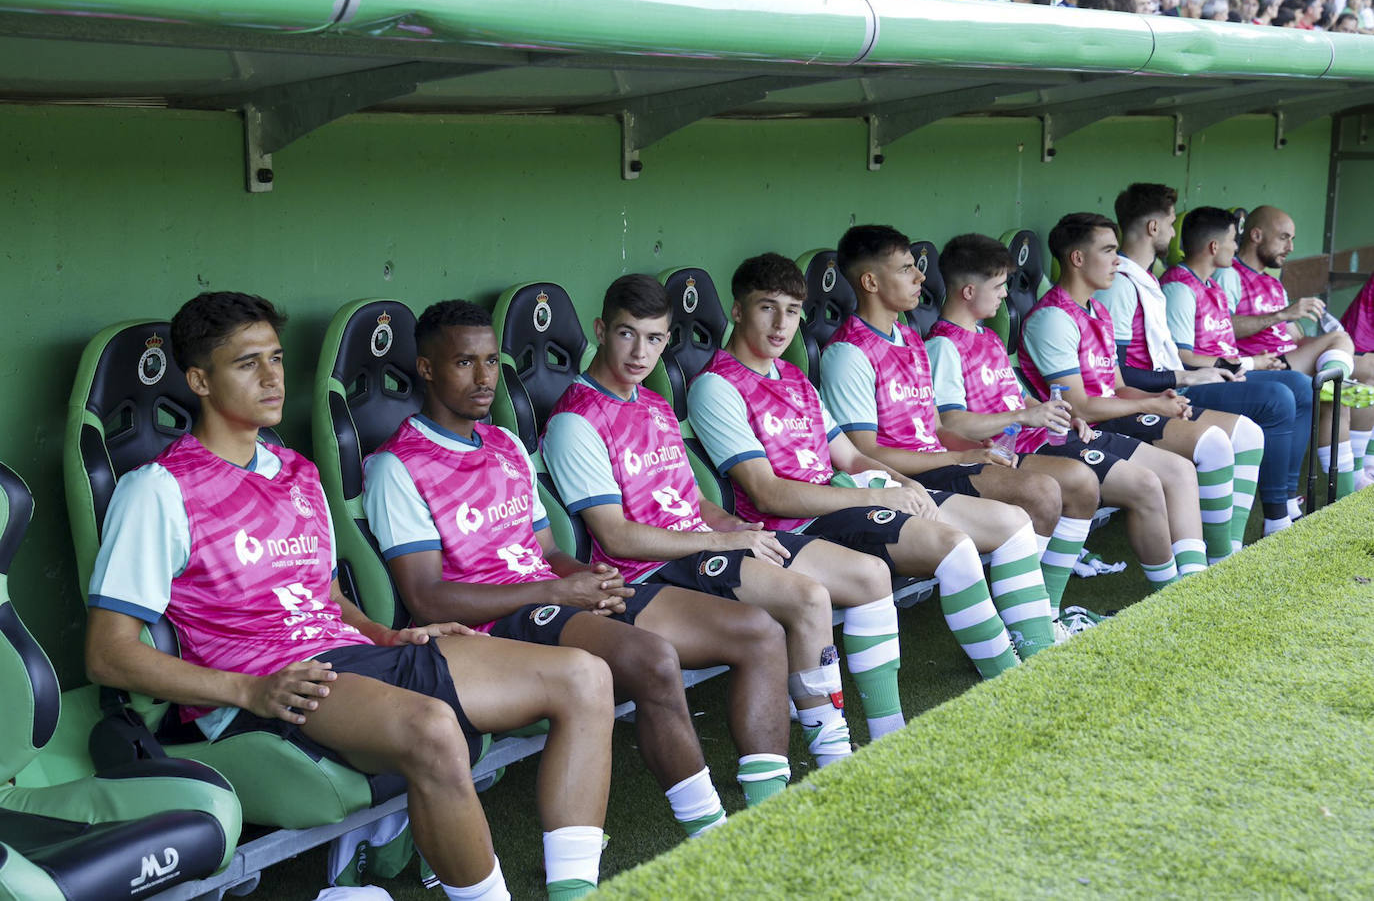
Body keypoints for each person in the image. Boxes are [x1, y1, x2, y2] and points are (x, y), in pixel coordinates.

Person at [85, 292, 614, 901]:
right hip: (270, 685)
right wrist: (246, 690)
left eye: (277, 359)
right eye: (246, 363)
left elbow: (327, 597)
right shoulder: (157, 490)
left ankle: (576, 890)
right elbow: (108, 654)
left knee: (584, 677)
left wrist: (389, 635)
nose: (271, 377)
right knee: (435, 729)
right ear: (199, 379)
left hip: (354, 657)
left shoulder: (299, 473)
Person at [363, 300, 794, 835]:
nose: (483, 378)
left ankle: (771, 807)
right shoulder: (396, 464)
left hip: (553, 597)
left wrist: (590, 579)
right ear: (426, 368)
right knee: (652, 658)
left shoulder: (505, 445)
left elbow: (546, 551)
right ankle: (711, 830)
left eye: (492, 362)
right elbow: (428, 597)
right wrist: (556, 591)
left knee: (758, 630)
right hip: (494, 625)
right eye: (463, 363)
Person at [543, 275, 905, 767]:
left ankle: (845, 739)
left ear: (667, 340)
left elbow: (693, 504)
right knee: (805, 597)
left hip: (701, 545)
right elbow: (616, 534)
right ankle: (834, 756)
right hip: (647, 571)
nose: (639, 353)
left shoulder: (654, 404)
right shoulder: (576, 418)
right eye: (627, 334)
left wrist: (740, 530)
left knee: (849, 581)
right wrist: (719, 542)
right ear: (600, 330)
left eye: (653, 339)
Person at [688, 255, 1053, 677]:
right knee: (954, 547)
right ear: (738, 311)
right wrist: (878, 495)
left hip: (849, 495)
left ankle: (1039, 652)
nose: (780, 325)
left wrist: (903, 485)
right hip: (798, 522)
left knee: (1011, 522)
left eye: (791, 311)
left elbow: (851, 456)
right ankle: (1009, 677)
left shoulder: (794, 376)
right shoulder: (717, 385)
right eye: (767, 307)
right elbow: (768, 493)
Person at [820, 225, 1095, 638]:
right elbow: (866, 454)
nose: (920, 279)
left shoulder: (909, 336)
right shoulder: (848, 352)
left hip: (938, 461)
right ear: (871, 281)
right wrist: (960, 457)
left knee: (1043, 489)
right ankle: (1032, 627)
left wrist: (982, 449)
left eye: (917, 268)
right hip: (903, 476)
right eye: (906, 270)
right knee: (1040, 492)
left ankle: (1035, 620)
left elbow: (934, 426)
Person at [928, 233, 1210, 621]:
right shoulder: (943, 345)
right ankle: (1151, 602)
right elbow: (950, 422)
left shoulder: (988, 336)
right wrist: (1023, 418)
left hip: (1046, 436)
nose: (1005, 295)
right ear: (969, 291)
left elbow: (1015, 398)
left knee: (1170, 473)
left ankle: (1180, 591)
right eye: (998, 287)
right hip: (1009, 454)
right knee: (1138, 485)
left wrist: (1051, 410)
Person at [1019, 214, 1217, 584]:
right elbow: (1080, 406)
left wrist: (1159, 397)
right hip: (1069, 433)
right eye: (1109, 250)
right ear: (1077, 258)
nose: (1117, 260)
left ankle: (1195, 579)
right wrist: (1148, 405)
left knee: (1181, 469)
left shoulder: (1100, 311)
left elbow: (1118, 387)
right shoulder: (1053, 318)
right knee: (1147, 483)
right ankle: (1172, 589)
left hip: (1102, 421)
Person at [1100, 184, 1292, 545]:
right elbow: (1118, 376)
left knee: (1260, 418)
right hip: (1137, 397)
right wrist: (1187, 375)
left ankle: (1230, 550)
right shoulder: (1120, 284)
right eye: (1171, 224)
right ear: (1154, 228)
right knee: (1272, 402)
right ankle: (1247, 536)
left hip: (1167, 384)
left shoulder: (1145, 278)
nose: (1175, 234)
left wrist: (1197, 372)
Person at [1222, 204, 1373, 497]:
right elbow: (1223, 328)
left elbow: (1291, 335)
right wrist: (1284, 314)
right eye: (1284, 238)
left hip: (1288, 357)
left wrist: (1298, 327)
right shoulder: (1230, 275)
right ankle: (1334, 382)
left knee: (1366, 369)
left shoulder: (1272, 282)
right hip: (1260, 364)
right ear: (1256, 235)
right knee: (1339, 348)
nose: (1291, 247)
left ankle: (1360, 475)